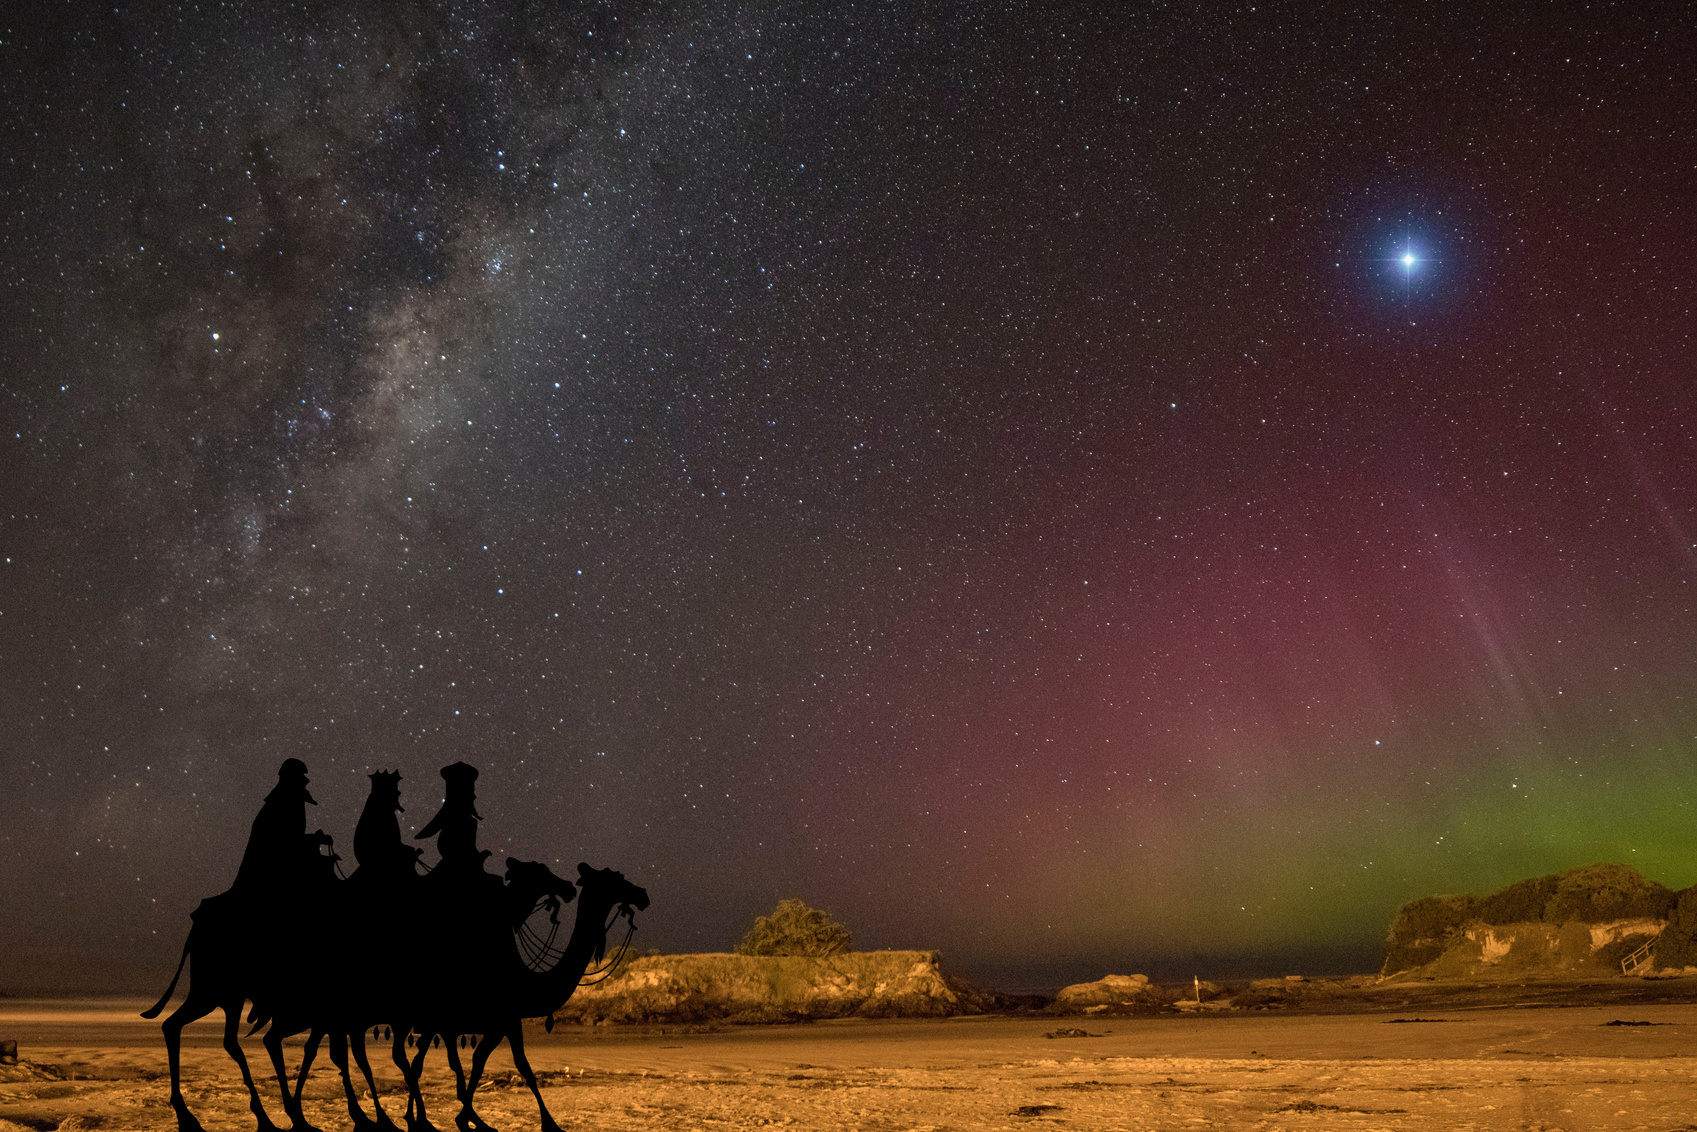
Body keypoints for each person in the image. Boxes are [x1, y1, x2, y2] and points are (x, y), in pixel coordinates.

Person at [232, 758, 336, 894]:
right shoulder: (280, 804)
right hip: (272, 872)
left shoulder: (284, 802)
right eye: (301, 777)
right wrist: (314, 840)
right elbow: (284, 842)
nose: (306, 781)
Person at [414, 762, 491, 878]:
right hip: (457, 867)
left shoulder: (469, 822)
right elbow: (467, 850)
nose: (474, 796)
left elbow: (468, 849)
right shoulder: (466, 822)